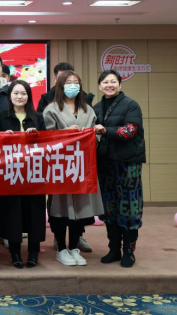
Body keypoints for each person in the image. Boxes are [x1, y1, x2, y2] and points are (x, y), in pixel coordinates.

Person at [43, 71, 104, 267]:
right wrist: (65, 133)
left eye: (76, 82)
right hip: (61, 165)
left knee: (81, 207)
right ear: (60, 86)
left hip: (83, 165)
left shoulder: (88, 110)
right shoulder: (51, 109)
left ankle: (74, 246)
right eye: (68, 82)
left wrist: (96, 133)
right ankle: (61, 248)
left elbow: (95, 137)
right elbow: (46, 137)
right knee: (61, 208)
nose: (72, 86)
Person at [93, 70, 146, 268]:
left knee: (130, 208)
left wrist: (105, 130)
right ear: (100, 86)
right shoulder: (96, 108)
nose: (109, 85)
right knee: (109, 209)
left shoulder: (131, 105)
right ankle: (114, 249)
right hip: (105, 164)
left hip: (127, 164)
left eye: (113, 81)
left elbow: (129, 131)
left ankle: (129, 252)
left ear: (120, 84)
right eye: (105, 82)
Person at [0, 80, 46, 269]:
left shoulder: (37, 117)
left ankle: (33, 252)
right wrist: (3, 137)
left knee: (35, 212)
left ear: (28, 96)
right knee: (13, 212)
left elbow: (48, 143)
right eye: (16, 93)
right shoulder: (0, 117)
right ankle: (14, 252)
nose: (19, 97)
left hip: (33, 172)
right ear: (9, 96)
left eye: (23, 93)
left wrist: (36, 135)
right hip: (10, 173)